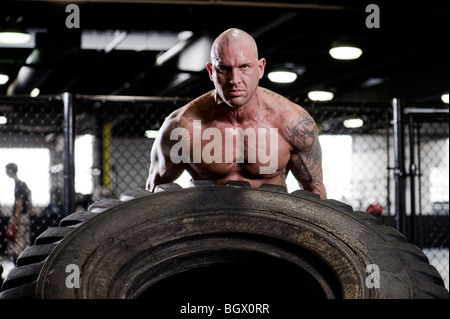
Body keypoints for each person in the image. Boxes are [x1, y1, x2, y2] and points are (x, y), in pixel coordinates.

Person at [146, 28, 327, 199]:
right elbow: (154, 192)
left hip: (270, 225)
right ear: (211, 71)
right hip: (210, 225)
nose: (235, 80)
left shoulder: (292, 123)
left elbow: (314, 190)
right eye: (224, 68)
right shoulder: (182, 126)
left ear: (260, 68)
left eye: (244, 67)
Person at [5, 163, 31, 265]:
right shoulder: (22, 184)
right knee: (22, 245)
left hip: (19, 218)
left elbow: (19, 204)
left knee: (17, 246)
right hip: (24, 217)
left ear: (10, 171)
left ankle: (18, 269)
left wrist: (15, 221)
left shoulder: (19, 185)